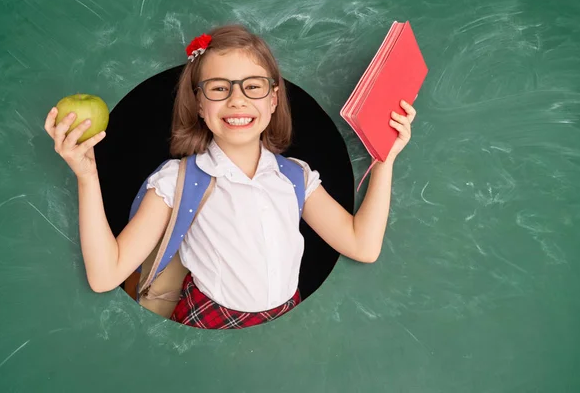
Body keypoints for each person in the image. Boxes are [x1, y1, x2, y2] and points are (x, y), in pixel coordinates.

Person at [43, 24, 416, 329]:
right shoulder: (177, 179)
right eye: (219, 88)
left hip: (287, 325)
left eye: (253, 86)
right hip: (211, 326)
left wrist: (386, 156)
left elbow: (362, 246)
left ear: (273, 99)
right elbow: (105, 275)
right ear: (200, 105)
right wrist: (86, 176)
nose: (237, 100)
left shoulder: (294, 176)